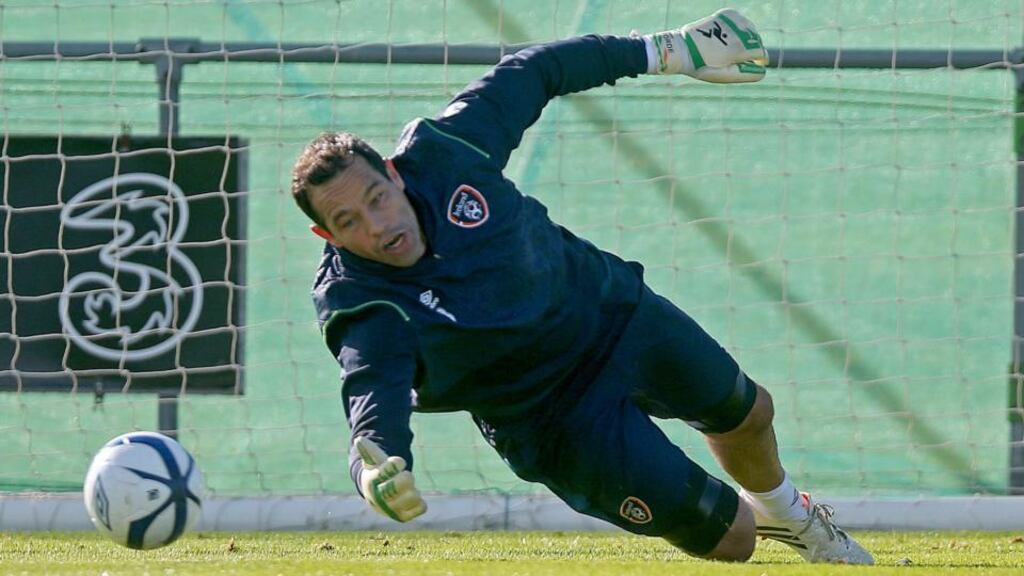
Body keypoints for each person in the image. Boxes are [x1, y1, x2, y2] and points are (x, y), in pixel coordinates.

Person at [290, 9, 873, 564]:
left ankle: (790, 516)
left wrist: (666, 51)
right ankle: (757, 520)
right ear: (327, 233)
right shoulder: (359, 303)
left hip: (609, 313)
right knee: (733, 541)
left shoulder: (447, 151)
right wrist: (377, 470)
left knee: (747, 412)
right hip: (548, 415)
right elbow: (373, 395)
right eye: (349, 223)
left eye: (377, 199)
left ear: (392, 174)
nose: (378, 226)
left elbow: (535, 70)